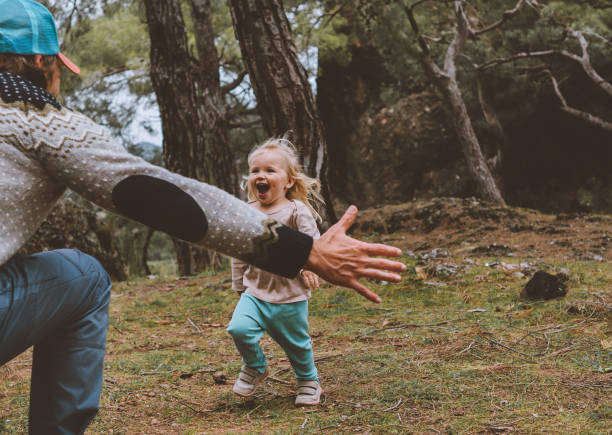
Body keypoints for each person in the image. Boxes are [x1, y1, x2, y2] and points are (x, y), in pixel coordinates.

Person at [0, 0, 405, 433]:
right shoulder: (36, 119)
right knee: (83, 276)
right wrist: (306, 252)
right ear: (42, 62)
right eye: (57, 67)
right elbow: (152, 193)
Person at [228, 139, 324, 406]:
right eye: (256, 170)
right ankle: (256, 366)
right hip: (255, 293)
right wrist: (239, 285)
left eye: (270, 170)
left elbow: (312, 244)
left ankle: (308, 381)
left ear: (289, 181)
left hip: (290, 295)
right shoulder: (246, 212)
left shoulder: (296, 210)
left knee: (297, 345)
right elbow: (239, 251)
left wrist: (310, 268)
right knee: (238, 329)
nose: (261, 176)